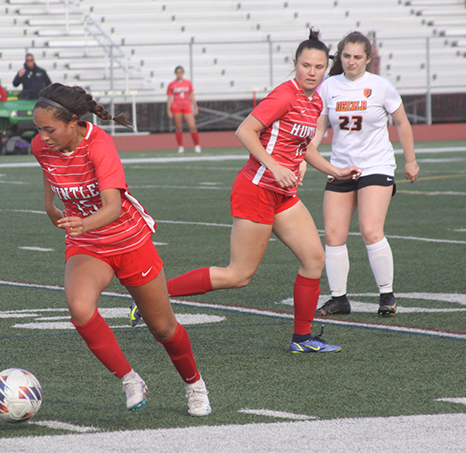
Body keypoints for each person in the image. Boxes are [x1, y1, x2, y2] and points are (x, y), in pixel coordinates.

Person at [131, 29, 361, 354]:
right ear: (295, 64)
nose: (312, 72)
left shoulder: (315, 100)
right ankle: (151, 296)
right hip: (256, 190)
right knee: (238, 275)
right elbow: (245, 130)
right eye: (306, 65)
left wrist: (334, 170)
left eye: (319, 67)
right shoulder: (285, 95)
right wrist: (275, 166)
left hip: (282, 193)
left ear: (327, 68)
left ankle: (302, 338)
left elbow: (302, 146)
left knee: (314, 259)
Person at [31, 83, 211, 416]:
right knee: (79, 308)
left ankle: (194, 384)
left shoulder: (99, 144)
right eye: (39, 129)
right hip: (88, 244)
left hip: (128, 240)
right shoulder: (42, 147)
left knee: (163, 328)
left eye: (50, 129)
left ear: (73, 121)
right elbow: (49, 176)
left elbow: (113, 207)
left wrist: (84, 223)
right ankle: (130, 379)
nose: (43, 137)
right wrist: (50, 208)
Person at [312, 31, 419, 317]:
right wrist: (304, 157)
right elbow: (320, 128)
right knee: (334, 234)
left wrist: (410, 160)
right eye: (346, 56)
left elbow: (402, 122)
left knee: (371, 230)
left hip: (376, 165)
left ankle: (387, 295)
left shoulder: (381, 86)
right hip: (341, 166)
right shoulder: (329, 87)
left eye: (358, 57)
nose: (351, 62)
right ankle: (339, 299)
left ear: (368, 59)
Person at [167, 66, 201, 153]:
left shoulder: (187, 83)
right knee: (179, 127)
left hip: (187, 107)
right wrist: (169, 110)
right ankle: (180, 146)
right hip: (176, 107)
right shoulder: (172, 84)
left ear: (183, 73)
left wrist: (196, 106)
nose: (179, 74)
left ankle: (196, 145)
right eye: (178, 72)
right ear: (176, 73)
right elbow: (169, 98)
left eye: (181, 72)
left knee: (192, 126)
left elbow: (191, 95)